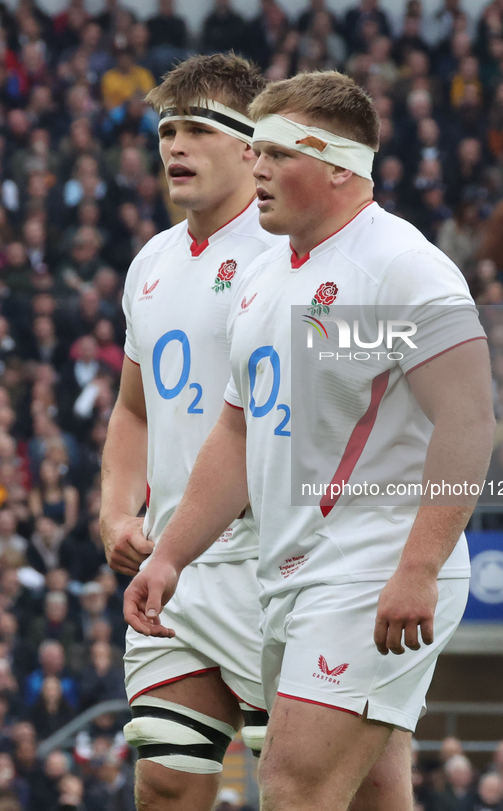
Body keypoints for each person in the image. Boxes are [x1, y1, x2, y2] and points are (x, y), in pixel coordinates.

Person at [124, 71, 495, 811]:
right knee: (365, 796)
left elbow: (469, 420)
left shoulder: (400, 267)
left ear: (339, 168)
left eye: (277, 153)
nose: (256, 167)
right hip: (289, 575)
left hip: (372, 568)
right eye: (255, 149)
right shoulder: (268, 277)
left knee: (293, 786)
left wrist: (418, 567)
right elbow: (236, 432)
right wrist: (170, 555)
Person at [99, 54, 276, 811]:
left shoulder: (290, 255)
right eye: (167, 130)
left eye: (198, 129)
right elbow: (133, 407)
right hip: (176, 572)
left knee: (304, 789)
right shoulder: (150, 262)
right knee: (167, 783)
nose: (175, 145)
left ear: (250, 145)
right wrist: (117, 510)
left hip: (276, 567)